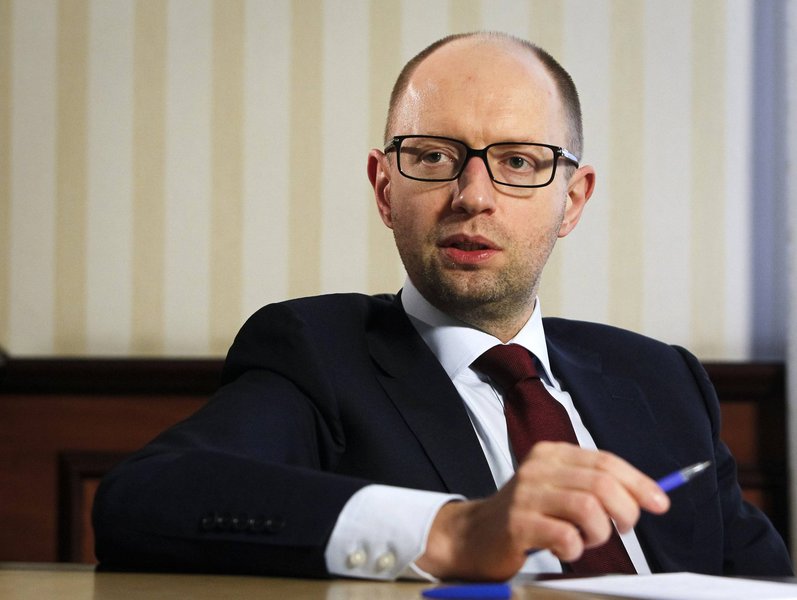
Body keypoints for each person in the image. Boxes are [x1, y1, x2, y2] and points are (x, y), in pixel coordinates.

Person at [92, 31, 792, 581]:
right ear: (383, 188)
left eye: (518, 162)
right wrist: (454, 532)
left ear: (572, 201)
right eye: (432, 157)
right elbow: (144, 499)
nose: (473, 196)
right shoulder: (316, 353)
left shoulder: (661, 379)